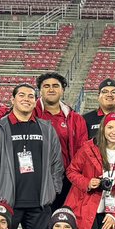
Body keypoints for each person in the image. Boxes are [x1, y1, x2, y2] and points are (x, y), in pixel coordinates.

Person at [0, 83, 64, 229]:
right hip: (8, 202)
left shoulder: (47, 128)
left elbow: (56, 161)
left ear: (35, 102)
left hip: (40, 203)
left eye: (30, 96)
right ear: (12, 100)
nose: (26, 99)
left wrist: (54, 189)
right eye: (21, 95)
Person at [36, 71, 88, 206]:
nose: (51, 89)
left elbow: (82, 150)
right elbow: (7, 112)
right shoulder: (30, 113)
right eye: (46, 86)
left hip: (66, 178)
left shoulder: (75, 119)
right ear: (40, 91)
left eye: (55, 86)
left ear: (62, 90)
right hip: (37, 177)